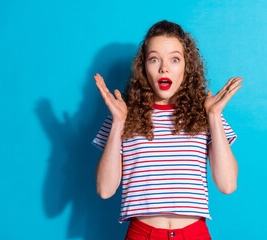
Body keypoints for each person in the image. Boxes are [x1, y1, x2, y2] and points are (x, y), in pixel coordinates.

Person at [92, 20, 243, 240]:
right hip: (142, 234)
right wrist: (117, 123)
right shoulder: (122, 114)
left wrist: (213, 116)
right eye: (154, 59)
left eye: (175, 59)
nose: (164, 68)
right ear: (144, 66)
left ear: (186, 66)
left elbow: (228, 184)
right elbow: (105, 190)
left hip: (194, 234)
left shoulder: (207, 113)